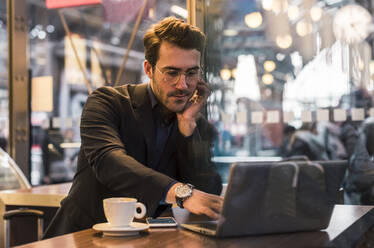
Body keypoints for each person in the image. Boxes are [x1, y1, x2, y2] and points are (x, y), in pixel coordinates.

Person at [43, 16, 223, 238]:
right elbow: (109, 161)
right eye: (172, 73)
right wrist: (179, 192)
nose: (182, 85)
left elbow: (207, 193)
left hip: (151, 241)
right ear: (149, 69)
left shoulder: (194, 123)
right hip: (85, 236)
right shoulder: (107, 102)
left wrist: (187, 126)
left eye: (191, 73)